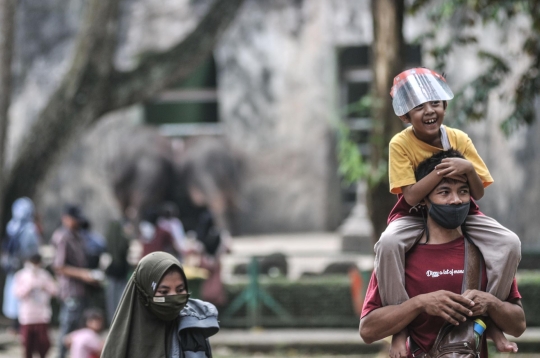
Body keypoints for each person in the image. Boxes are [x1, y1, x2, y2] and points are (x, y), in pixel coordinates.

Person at [374, 67, 521, 355]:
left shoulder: (459, 139)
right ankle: (399, 326)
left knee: (509, 243)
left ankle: (487, 316)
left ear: (445, 106)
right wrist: (441, 172)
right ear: (405, 115)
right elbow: (413, 194)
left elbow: (477, 192)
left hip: (463, 213)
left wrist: (467, 168)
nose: (429, 111)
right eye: (419, 106)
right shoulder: (400, 144)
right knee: (389, 243)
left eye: (436, 103)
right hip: (413, 214)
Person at [360, 150, 526, 357]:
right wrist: (420, 303)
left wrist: (491, 303)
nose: (456, 200)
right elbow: (367, 331)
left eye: (463, 191)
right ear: (423, 199)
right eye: (445, 192)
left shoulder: (486, 252)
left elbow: (518, 325)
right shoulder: (398, 255)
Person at [101, 251, 219, 358]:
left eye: (180, 290)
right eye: (163, 292)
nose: (173, 297)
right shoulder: (123, 341)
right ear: (144, 292)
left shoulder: (192, 330)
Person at [51, 204, 99, 358]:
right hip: (70, 290)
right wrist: (82, 274)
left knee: (79, 327)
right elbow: (59, 266)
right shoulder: (62, 237)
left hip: (81, 289)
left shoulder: (77, 235)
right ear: (65, 218)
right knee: (68, 326)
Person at [1, 197, 42, 329]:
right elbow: (33, 249)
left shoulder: (13, 226)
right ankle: (17, 326)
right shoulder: (28, 229)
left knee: (17, 295)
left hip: (15, 266)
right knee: (19, 296)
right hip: (22, 267)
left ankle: (18, 325)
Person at [13, 253, 58, 358]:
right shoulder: (21, 275)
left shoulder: (44, 275)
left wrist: (44, 286)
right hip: (27, 315)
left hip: (42, 314)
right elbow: (17, 294)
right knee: (27, 344)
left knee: (44, 343)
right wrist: (29, 286)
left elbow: (55, 291)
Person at [103, 218, 131, 324]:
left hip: (112, 275)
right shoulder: (124, 240)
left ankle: (113, 324)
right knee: (121, 301)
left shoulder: (108, 241)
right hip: (122, 274)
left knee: (112, 303)